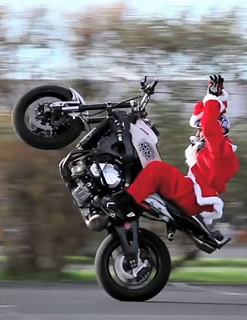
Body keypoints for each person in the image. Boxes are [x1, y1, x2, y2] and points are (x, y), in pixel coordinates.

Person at [102, 74, 239, 227]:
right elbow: (212, 118)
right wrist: (216, 96)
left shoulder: (220, 149)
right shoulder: (219, 149)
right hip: (192, 194)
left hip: (193, 197)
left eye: (200, 130)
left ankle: (123, 204)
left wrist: (213, 99)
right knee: (148, 168)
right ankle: (130, 199)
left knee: (156, 170)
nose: (198, 134)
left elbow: (210, 125)